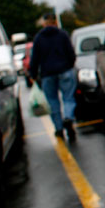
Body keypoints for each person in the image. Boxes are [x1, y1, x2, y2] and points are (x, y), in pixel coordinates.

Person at [28, 11, 77, 142]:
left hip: (47, 74)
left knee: (52, 101)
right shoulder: (62, 35)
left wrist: (33, 75)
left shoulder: (39, 38)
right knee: (68, 98)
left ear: (44, 23)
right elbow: (71, 53)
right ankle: (68, 117)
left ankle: (59, 128)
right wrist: (70, 65)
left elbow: (35, 59)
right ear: (55, 22)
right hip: (65, 70)